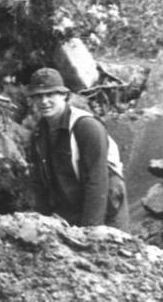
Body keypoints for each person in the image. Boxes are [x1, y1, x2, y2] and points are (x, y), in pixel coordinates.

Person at [24, 67, 128, 230]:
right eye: (38, 96)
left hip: (106, 209)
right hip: (68, 209)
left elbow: (98, 180)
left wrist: (91, 230)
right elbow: (40, 184)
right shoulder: (38, 133)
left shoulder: (86, 127)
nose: (44, 101)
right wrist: (42, 222)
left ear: (64, 95)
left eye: (50, 94)